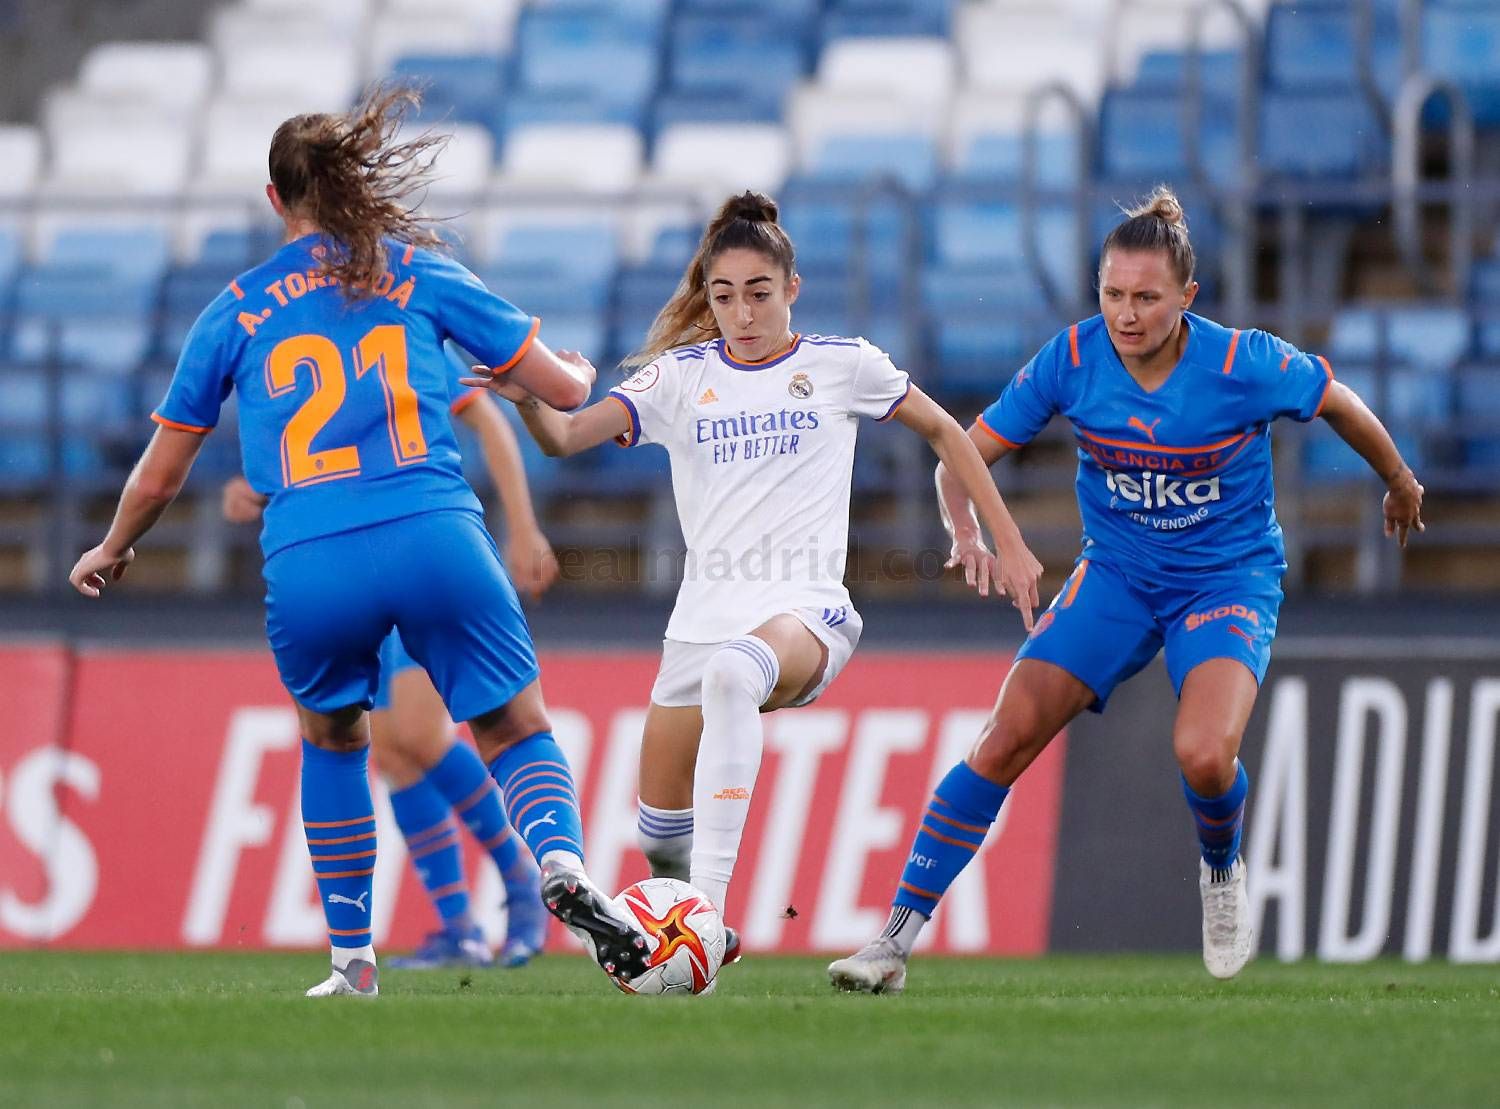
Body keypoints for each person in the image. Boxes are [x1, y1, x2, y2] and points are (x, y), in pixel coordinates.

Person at [69, 85, 650, 997]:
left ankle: (351, 960)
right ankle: (560, 863)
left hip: (312, 556)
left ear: (274, 199)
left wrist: (112, 546)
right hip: (434, 535)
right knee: (511, 725)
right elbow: (568, 393)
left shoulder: (234, 309)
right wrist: (572, 373)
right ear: (356, 184)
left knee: (335, 736)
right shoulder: (417, 272)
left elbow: (157, 476)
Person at [827, 186, 1426, 993]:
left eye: (1147, 297)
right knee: (1004, 736)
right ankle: (893, 941)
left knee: (1204, 754)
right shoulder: (1072, 359)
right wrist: (966, 531)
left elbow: (1339, 402)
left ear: (1188, 297)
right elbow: (959, 460)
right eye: (1113, 294)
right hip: (1116, 575)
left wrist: (1398, 479)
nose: (1127, 314)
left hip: (1226, 578)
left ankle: (1221, 869)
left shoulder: (1243, 363)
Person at [462, 190, 1044, 941]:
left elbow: (944, 429)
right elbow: (567, 438)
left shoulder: (843, 364)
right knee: (658, 833)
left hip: (806, 612)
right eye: (725, 295)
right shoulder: (679, 378)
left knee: (734, 673)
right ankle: (682, 937)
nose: (742, 312)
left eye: (759, 293)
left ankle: (706, 915)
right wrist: (526, 401)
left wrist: (1001, 535)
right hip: (700, 622)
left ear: (793, 288)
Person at [219, 365, 559, 969]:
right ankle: (459, 928)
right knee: (394, 750)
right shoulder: (324, 348)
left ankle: (518, 877)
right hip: (346, 560)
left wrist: (523, 527)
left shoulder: (401, 335)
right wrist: (265, 489)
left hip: (420, 543)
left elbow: (487, 419)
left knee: (419, 735)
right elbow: (328, 454)